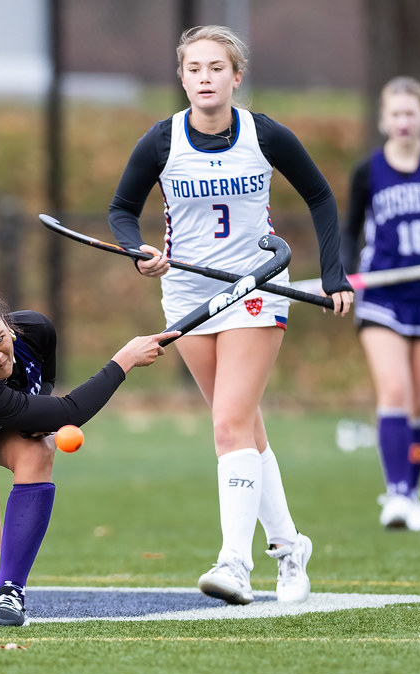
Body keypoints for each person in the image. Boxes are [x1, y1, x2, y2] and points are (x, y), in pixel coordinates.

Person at [108, 25, 354, 606]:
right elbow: (122, 210)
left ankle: (235, 562)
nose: (205, 79)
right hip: (189, 296)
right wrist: (137, 250)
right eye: (194, 69)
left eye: (216, 68)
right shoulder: (161, 141)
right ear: (183, 78)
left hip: (256, 289)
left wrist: (336, 272)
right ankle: (291, 547)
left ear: (235, 76)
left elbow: (321, 196)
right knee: (244, 429)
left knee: (226, 426)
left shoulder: (262, 133)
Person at [0, 284, 178, 627]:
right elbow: (70, 412)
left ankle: (10, 593)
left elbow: (45, 381)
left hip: (1, 423)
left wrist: (33, 418)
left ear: (7, 324)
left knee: (39, 449)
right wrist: (124, 361)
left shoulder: (37, 330)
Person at [340, 76, 420, 532]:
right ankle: (395, 494)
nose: (402, 121)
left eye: (410, 112)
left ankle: (412, 494)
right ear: (383, 119)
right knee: (394, 390)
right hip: (382, 295)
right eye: (394, 113)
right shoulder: (368, 171)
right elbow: (349, 229)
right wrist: (342, 274)